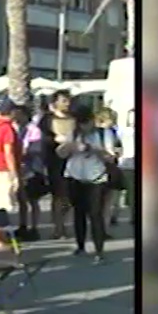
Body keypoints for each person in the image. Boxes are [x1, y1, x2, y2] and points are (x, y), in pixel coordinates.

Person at [57, 106, 117, 263]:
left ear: (92, 120)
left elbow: (110, 157)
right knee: (79, 212)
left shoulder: (103, 134)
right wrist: (70, 146)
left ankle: (99, 250)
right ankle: (80, 245)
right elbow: (60, 153)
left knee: (95, 214)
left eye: (86, 122)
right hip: (75, 176)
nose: (84, 126)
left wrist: (93, 149)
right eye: (80, 123)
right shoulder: (74, 133)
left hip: (96, 177)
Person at [39, 90, 76, 239]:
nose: (67, 103)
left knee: (71, 197)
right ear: (55, 103)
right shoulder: (47, 120)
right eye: (63, 100)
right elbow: (43, 139)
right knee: (58, 196)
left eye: (68, 100)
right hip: (55, 162)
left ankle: (66, 224)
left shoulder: (75, 119)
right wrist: (56, 139)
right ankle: (58, 227)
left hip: (73, 161)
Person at [0, 97, 21, 248]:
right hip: (4, 169)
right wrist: (15, 174)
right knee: (4, 205)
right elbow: (9, 152)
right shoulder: (7, 128)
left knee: (0, 202)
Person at [13, 104, 47, 241]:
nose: (16, 117)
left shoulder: (34, 130)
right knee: (21, 199)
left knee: (33, 200)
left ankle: (34, 227)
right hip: (19, 168)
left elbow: (36, 148)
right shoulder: (14, 128)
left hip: (32, 168)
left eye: (19, 114)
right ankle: (23, 225)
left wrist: (24, 153)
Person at [95, 107, 125, 227]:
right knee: (105, 201)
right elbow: (116, 150)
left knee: (105, 201)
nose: (113, 122)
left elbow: (118, 149)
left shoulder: (111, 132)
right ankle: (102, 228)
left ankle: (102, 227)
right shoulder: (105, 132)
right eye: (111, 119)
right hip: (105, 167)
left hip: (107, 167)